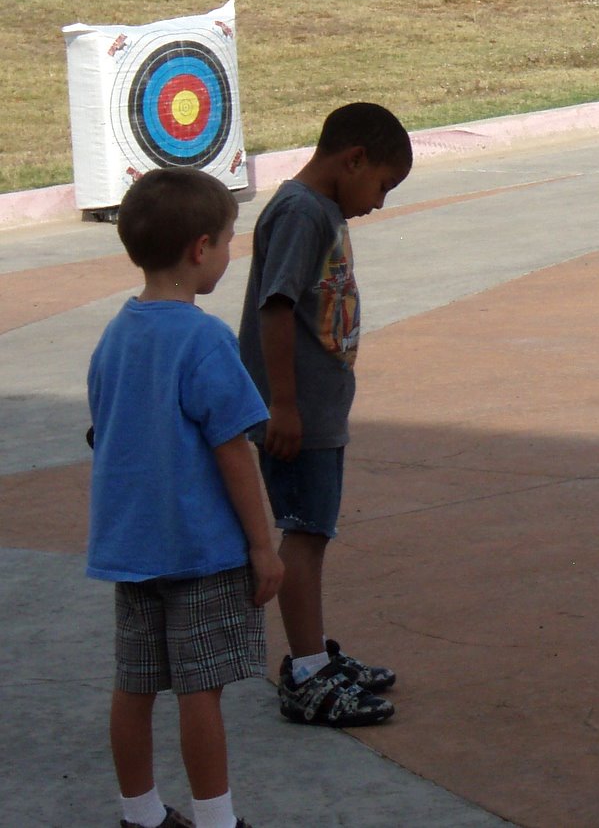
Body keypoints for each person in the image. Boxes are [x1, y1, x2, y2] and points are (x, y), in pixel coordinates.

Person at [87, 168, 283, 828]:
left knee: (135, 683)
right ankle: (216, 818)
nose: (231, 253)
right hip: (202, 549)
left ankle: (140, 813)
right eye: (229, 240)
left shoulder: (116, 335)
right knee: (202, 689)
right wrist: (263, 545)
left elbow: (104, 427)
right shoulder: (204, 340)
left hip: (130, 547)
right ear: (201, 248)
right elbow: (234, 449)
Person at [238, 101, 412, 727]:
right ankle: (307, 672)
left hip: (316, 411)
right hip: (297, 416)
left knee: (315, 531)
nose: (381, 202)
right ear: (354, 159)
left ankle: (316, 656)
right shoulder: (301, 213)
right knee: (305, 534)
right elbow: (275, 307)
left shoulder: (320, 210)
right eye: (383, 185)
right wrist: (282, 405)